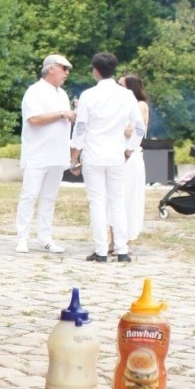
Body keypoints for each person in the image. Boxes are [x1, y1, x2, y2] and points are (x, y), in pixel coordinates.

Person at [70, 51, 144, 263]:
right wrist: (129, 150)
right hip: (116, 155)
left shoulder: (88, 95)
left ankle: (101, 250)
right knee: (118, 202)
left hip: (94, 154)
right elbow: (140, 127)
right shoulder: (127, 95)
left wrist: (74, 158)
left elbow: (80, 129)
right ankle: (122, 250)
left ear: (95, 71)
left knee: (97, 203)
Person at [15, 53, 75, 254]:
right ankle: (22, 238)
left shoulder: (62, 94)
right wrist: (62, 114)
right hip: (38, 154)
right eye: (63, 69)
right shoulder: (35, 91)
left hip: (57, 154)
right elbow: (34, 119)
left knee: (49, 198)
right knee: (29, 195)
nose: (66, 73)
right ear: (51, 69)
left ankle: (45, 237)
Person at [116, 73, 150, 254]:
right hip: (116, 154)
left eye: (121, 85)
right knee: (114, 198)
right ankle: (113, 239)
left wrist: (113, 124)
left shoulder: (140, 105)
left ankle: (127, 240)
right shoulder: (118, 105)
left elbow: (136, 130)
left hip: (130, 155)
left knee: (128, 198)